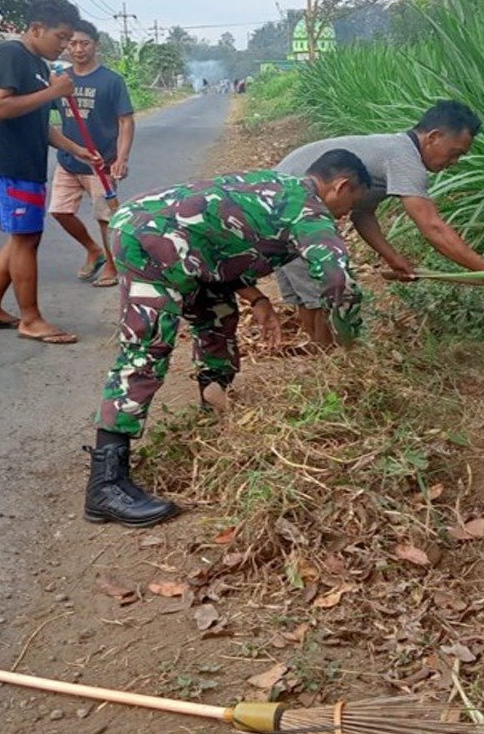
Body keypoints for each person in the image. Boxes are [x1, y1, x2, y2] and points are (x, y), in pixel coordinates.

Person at [83, 150, 372, 527]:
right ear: (342, 186)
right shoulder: (310, 212)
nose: (345, 216)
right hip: (151, 238)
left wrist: (257, 297)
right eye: (350, 204)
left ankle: (212, 400)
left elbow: (218, 238)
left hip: (164, 231)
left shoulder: (276, 185)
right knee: (147, 348)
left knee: (218, 313)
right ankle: (106, 484)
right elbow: (340, 283)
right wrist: (352, 349)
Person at [272, 100, 484, 348]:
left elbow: (362, 214)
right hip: (294, 203)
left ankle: (320, 359)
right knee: (320, 293)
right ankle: (327, 365)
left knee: (308, 298)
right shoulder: (406, 159)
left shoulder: (389, 150)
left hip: (276, 198)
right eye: (455, 153)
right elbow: (433, 228)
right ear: (433, 137)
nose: (454, 162)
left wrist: (393, 257)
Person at [0, 0, 102, 344]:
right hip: (7, 163)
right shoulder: (10, 55)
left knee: (21, 236)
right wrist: (54, 92)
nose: (65, 46)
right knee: (27, 238)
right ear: (36, 29)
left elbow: (37, 122)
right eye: (61, 38)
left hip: (26, 165)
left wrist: (77, 150)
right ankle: (31, 319)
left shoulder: (40, 67)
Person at [49, 19, 134, 288]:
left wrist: (121, 159)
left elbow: (126, 121)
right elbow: (43, 113)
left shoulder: (111, 81)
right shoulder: (62, 81)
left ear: (95, 46)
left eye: (84, 43)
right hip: (68, 162)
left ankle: (112, 264)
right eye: (72, 43)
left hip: (102, 165)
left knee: (105, 218)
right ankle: (93, 250)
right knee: (59, 211)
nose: (78, 49)